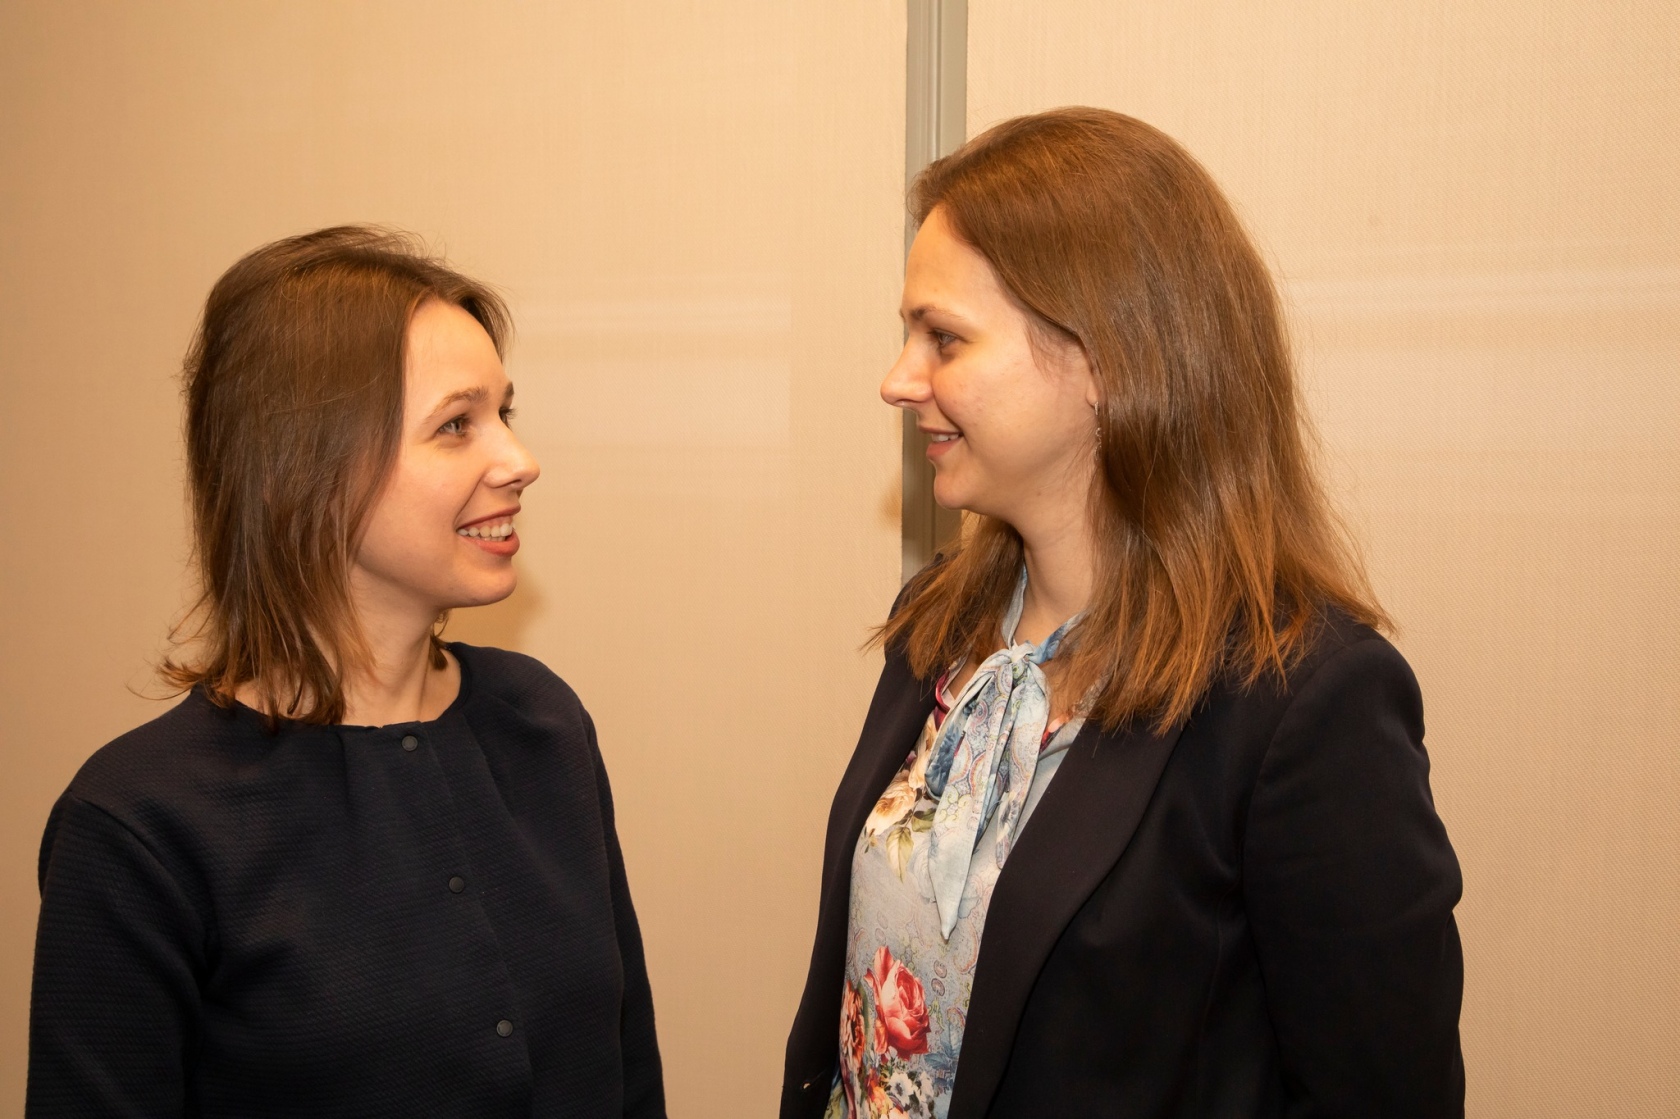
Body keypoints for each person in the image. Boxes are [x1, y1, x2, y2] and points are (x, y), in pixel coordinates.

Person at [781, 109, 1464, 1119]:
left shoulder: (1304, 707)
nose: (898, 380)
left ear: (1104, 357)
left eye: (944, 338)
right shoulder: (941, 628)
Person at [27, 227, 665, 1118]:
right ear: (310, 467)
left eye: (505, 413)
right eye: (456, 424)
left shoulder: (543, 723)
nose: (520, 461)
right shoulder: (140, 825)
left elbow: (630, 1076)